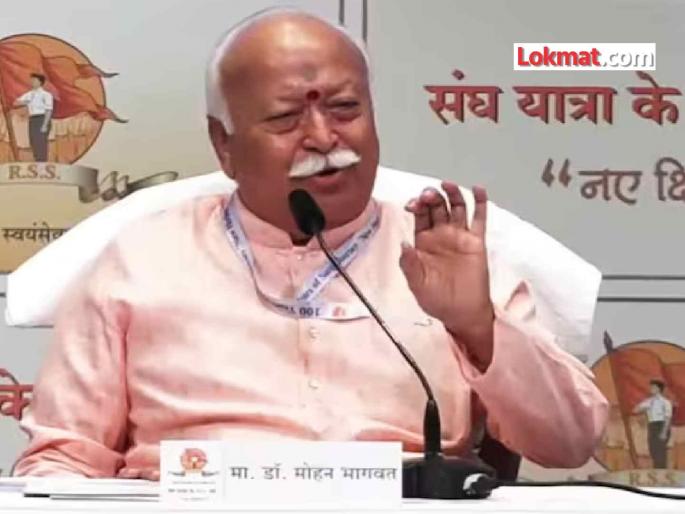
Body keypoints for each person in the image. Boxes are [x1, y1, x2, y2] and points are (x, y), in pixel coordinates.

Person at [13, 8, 608, 479]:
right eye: (284, 119)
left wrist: (477, 328)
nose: (324, 137)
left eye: (346, 109)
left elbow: (570, 442)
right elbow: (64, 460)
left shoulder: (443, 253)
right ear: (224, 145)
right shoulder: (143, 258)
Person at [13, 73, 53, 162]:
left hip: (42, 119)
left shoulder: (46, 95)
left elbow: (48, 110)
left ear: (40, 82)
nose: (32, 82)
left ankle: (42, 163)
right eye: (31, 80)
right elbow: (15, 103)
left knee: (40, 143)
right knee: (33, 142)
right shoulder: (29, 94)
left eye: (34, 80)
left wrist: (45, 125)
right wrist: (26, 101)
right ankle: (37, 162)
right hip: (33, 119)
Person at [633, 379, 672, 468]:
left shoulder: (665, 402)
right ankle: (656, 468)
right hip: (652, 426)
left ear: (658, 389)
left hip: (662, 425)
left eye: (653, 387)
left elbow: (668, 418)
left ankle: (661, 470)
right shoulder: (649, 401)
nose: (651, 389)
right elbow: (635, 410)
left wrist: (664, 432)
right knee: (652, 448)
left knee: (660, 449)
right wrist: (643, 407)